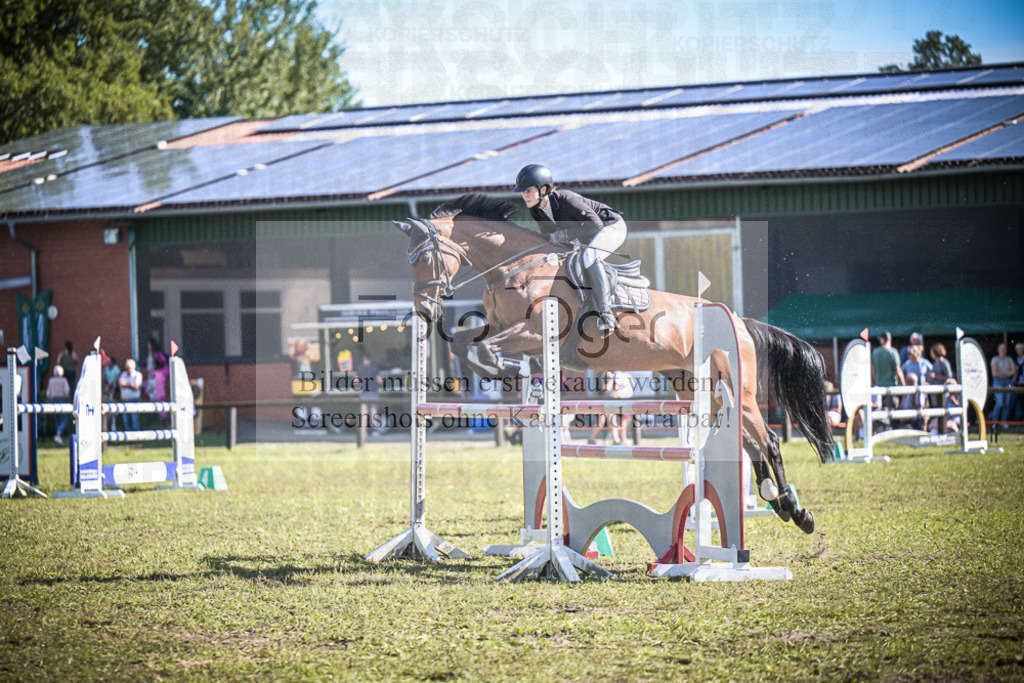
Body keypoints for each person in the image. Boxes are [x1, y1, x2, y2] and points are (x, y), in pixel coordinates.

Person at [513, 164, 627, 337]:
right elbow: (550, 238)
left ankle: (607, 317)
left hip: (611, 227)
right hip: (588, 235)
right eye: (523, 192)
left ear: (543, 189)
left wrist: (566, 234)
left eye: (528, 191)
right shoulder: (536, 211)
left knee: (590, 257)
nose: (524, 196)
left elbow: (595, 225)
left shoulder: (567, 199)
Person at [871, 331, 904, 424]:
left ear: (882, 339)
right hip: (891, 385)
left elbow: (872, 369)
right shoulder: (893, 352)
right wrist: (904, 385)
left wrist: (875, 380)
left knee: (879, 409)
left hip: (879, 385)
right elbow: (898, 370)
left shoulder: (875, 352)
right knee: (892, 411)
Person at [356, 354, 382, 434]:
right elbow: (380, 380)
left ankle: (365, 431)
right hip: (373, 391)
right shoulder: (375, 368)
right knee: (374, 411)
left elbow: (356, 381)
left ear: (364, 359)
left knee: (364, 412)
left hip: (364, 392)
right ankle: (375, 431)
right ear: (370, 359)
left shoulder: (360, 368)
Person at [990, 342, 1016, 423]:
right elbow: (994, 373)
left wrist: (1001, 373)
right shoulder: (995, 359)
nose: (1003, 350)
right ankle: (995, 422)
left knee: (1007, 403)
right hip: (998, 382)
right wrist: (1006, 373)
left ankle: (1004, 422)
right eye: (1001, 348)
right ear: (998, 350)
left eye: (1004, 349)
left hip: (1008, 381)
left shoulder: (1009, 359)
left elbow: (1013, 371)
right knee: (1000, 402)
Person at [46, 365, 71, 444]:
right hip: (61, 400)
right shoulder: (63, 380)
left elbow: (48, 392)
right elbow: (66, 391)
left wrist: (48, 399)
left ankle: (58, 436)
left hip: (53, 400)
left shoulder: (51, 380)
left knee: (57, 419)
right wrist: (68, 397)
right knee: (64, 419)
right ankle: (58, 434)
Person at [608, 370, 634, 445]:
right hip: (619, 400)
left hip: (626, 400)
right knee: (615, 421)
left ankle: (623, 438)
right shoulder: (619, 373)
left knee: (625, 421)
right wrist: (618, 397)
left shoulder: (628, 374)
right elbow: (615, 387)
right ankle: (616, 439)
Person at [118, 358, 143, 432]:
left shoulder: (137, 375)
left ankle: (136, 436)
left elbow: (136, 387)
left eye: (130, 368)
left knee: (134, 418)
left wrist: (126, 384)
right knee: (126, 419)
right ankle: (128, 436)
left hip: (134, 400)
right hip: (124, 400)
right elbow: (120, 384)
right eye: (127, 368)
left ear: (134, 367)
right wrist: (130, 384)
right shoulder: (123, 374)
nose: (128, 369)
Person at [147, 338, 170, 417]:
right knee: (152, 394)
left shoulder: (157, 354)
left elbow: (163, 363)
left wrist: (156, 372)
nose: (148, 346)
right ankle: (157, 414)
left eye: (149, 344)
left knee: (158, 395)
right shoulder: (151, 354)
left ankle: (163, 414)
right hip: (152, 376)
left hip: (158, 375)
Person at [926, 343, 954, 408]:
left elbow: (949, 377)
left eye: (931, 352)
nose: (931, 354)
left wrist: (935, 376)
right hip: (934, 393)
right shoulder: (934, 363)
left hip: (943, 392)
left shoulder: (944, 363)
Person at [103, 354, 122, 432]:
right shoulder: (106, 369)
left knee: (113, 412)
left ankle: (113, 430)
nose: (108, 363)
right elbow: (104, 378)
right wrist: (108, 384)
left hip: (114, 390)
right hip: (108, 389)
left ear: (113, 363)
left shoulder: (116, 369)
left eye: (109, 362)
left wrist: (113, 383)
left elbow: (118, 378)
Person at [1013, 342, 1024, 421]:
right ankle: (1019, 417)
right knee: (1018, 401)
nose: (1019, 351)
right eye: (1017, 349)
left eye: (1020, 349)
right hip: (1018, 383)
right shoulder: (1015, 360)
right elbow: (1015, 371)